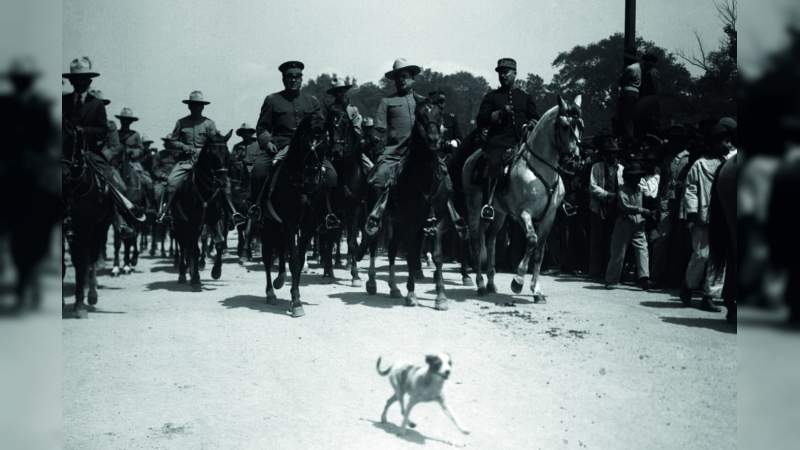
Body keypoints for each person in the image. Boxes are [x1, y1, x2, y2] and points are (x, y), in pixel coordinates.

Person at [62, 56, 139, 237]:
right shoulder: (63, 101)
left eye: (83, 80)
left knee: (113, 180)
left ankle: (120, 220)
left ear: (89, 81)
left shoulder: (96, 105)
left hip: (90, 153)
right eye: (76, 79)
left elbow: (102, 130)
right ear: (72, 81)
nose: (80, 83)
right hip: (64, 153)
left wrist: (83, 130)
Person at [252, 61, 329, 221]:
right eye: (289, 77)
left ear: (301, 79)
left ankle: (329, 214)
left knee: (332, 175)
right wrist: (267, 142)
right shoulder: (272, 100)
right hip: (280, 146)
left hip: (308, 149)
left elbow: (320, 126)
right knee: (258, 171)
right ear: (283, 79)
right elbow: (262, 128)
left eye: (296, 77)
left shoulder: (312, 101)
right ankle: (256, 209)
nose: (293, 80)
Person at [157, 90, 242, 224]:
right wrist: (184, 146)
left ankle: (233, 213)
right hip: (186, 161)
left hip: (206, 162)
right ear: (189, 106)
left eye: (199, 105)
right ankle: (164, 212)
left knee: (225, 184)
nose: (196, 108)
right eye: (194, 105)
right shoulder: (181, 123)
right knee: (171, 183)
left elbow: (214, 141)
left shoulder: (209, 123)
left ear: (203, 107)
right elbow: (172, 140)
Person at [364, 59, 427, 235]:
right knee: (376, 179)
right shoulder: (387, 101)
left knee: (444, 177)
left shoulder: (423, 102)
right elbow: (378, 130)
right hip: (394, 155)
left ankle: (438, 217)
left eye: (405, 77)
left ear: (413, 78)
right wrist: (379, 147)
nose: (401, 80)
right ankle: (375, 218)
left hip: (418, 155)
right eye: (398, 77)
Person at [475, 57, 539, 220]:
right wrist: (499, 113)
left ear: (515, 74)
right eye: (500, 73)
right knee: (494, 163)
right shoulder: (492, 97)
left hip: (524, 142)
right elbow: (481, 119)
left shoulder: (525, 97)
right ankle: (488, 204)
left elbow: (535, 119)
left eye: (506, 72)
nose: (503, 76)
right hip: (499, 142)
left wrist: (531, 124)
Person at [679, 124, 730, 311]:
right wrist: (692, 214)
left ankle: (709, 296)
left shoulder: (728, 164)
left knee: (718, 258)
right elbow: (690, 190)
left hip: (721, 217)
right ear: (713, 143)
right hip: (702, 216)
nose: (727, 144)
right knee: (701, 255)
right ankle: (688, 285)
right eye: (724, 141)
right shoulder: (699, 165)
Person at [604, 161, 652, 290]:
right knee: (618, 252)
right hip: (624, 223)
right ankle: (611, 279)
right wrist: (642, 211)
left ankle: (644, 278)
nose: (637, 179)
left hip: (638, 223)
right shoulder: (622, 190)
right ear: (628, 177)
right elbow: (625, 207)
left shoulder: (639, 190)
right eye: (635, 176)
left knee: (642, 249)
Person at [588, 136, 623, 280]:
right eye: (609, 153)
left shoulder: (621, 169)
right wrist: (607, 194)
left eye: (614, 153)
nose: (611, 155)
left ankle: (608, 272)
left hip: (616, 209)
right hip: (599, 207)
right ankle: (595, 271)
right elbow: (592, 186)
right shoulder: (596, 167)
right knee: (597, 240)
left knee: (612, 241)